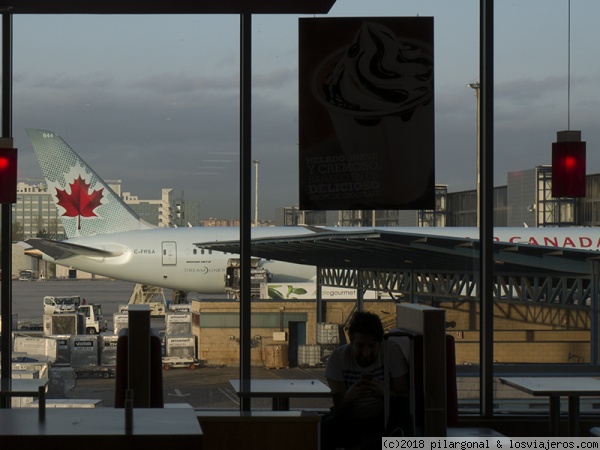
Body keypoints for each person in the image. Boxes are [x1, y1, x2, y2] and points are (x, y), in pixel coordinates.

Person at [321, 311, 411, 449]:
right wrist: (349, 398)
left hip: (383, 416)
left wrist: (385, 394)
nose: (366, 353)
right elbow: (340, 410)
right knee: (323, 429)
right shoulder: (338, 359)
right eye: (361, 346)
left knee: (402, 415)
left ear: (380, 343)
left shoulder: (391, 352)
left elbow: (404, 398)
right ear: (351, 342)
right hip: (351, 419)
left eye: (372, 346)